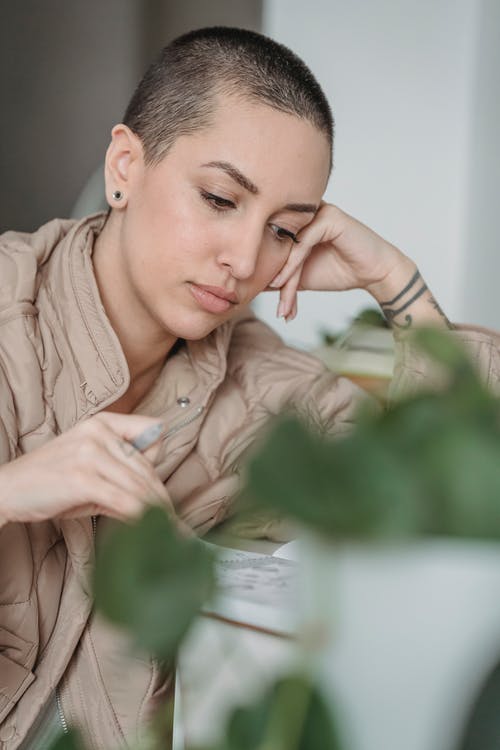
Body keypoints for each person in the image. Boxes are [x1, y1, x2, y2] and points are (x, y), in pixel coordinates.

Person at [1, 26, 500, 750]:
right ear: (125, 166)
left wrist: (393, 280)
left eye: (285, 232)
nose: (243, 259)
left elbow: (458, 468)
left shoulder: (261, 389)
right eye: (219, 199)